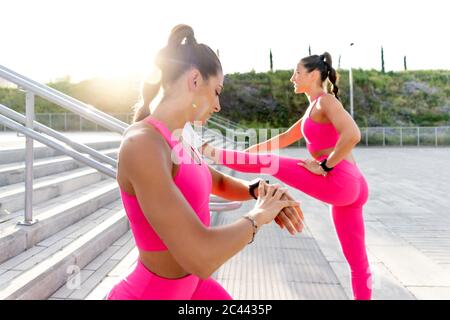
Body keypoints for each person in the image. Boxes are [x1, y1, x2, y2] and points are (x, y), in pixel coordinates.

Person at [106, 24, 303, 300]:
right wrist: (259, 216)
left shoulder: (178, 138)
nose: (218, 104)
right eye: (218, 90)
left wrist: (255, 188)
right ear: (195, 80)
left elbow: (215, 180)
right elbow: (201, 256)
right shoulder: (143, 144)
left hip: (194, 289)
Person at [202, 52, 372, 300]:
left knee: (271, 165)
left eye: (297, 72)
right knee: (358, 264)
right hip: (353, 187)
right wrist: (247, 153)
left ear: (313, 75)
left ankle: (207, 151)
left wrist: (325, 166)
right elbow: (283, 139)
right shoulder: (313, 109)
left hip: (340, 180)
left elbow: (353, 134)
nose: (293, 78)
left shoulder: (327, 102)